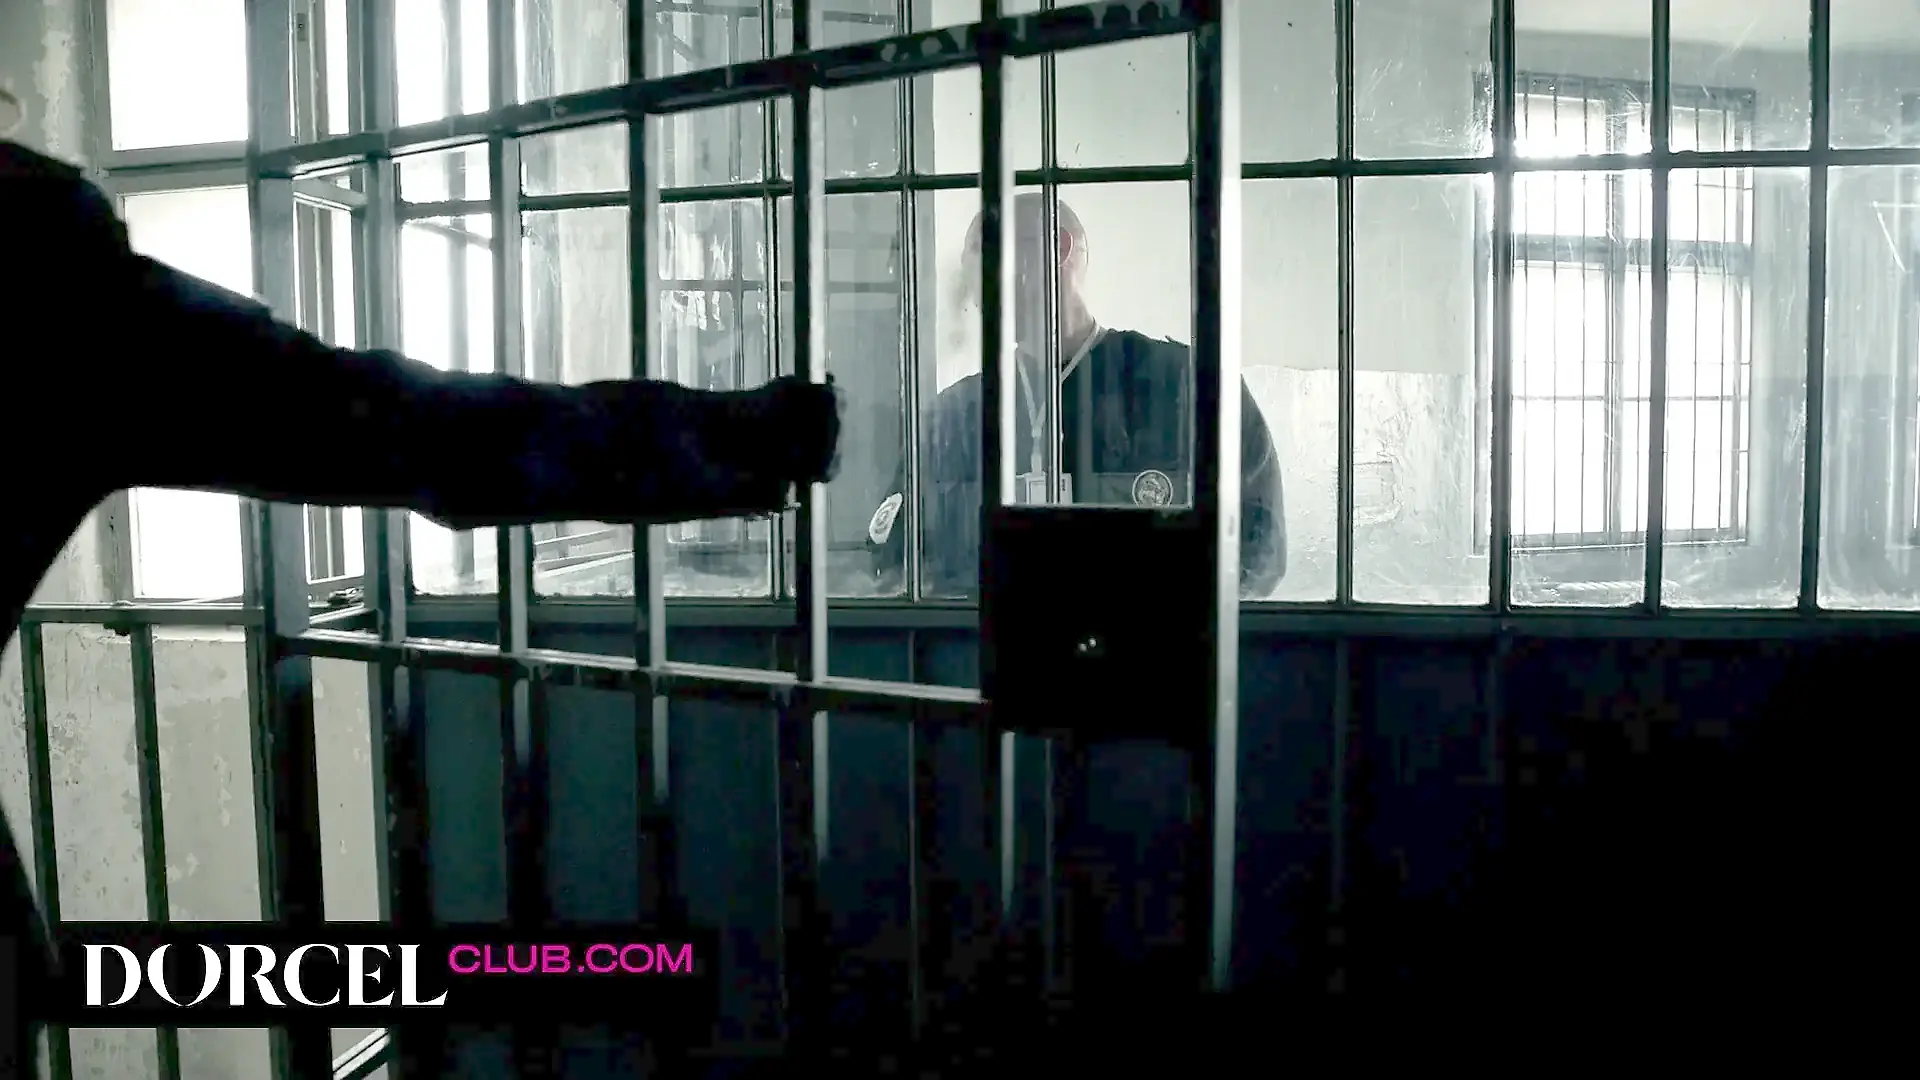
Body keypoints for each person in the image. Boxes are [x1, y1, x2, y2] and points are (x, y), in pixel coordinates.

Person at [0, 137, 843, 1074]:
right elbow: (420, 429)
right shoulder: (35, 267)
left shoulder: (36, 261)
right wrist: (741, 438)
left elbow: (417, 430)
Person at [864, 194, 1286, 597]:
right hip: (997, 644)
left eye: (981, 251)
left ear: (1057, 247)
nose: (970, 287)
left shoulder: (1188, 387)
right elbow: (894, 562)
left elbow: (1256, 548)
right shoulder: (951, 417)